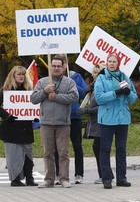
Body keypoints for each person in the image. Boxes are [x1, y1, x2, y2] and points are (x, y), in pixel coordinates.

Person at [30, 57, 79, 188]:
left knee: (63, 152)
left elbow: (74, 97)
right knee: (48, 153)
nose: (56, 68)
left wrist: (57, 97)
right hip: (46, 123)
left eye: (59, 66)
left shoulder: (69, 82)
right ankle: (49, 179)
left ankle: (64, 179)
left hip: (63, 123)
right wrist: (45, 91)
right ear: (50, 67)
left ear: (63, 67)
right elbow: (33, 99)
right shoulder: (42, 82)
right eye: (54, 66)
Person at [95, 53, 138, 189]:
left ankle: (121, 178)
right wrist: (116, 93)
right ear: (106, 63)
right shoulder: (101, 78)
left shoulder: (123, 77)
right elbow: (99, 98)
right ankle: (106, 178)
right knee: (105, 148)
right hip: (107, 119)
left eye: (114, 61)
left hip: (122, 118)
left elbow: (133, 98)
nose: (112, 64)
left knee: (121, 149)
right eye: (110, 61)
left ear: (118, 63)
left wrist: (128, 93)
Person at [0, 66, 38, 187]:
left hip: (26, 128)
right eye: (19, 74)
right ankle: (15, 179)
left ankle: (29, 178)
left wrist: (35, 115)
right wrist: (7, 116)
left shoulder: (29, 91)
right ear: (13, 76)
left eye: (23, 74)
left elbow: (34, 107)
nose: (21, 76)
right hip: (11, 128)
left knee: (28, 154)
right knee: (13, 156)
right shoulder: (5, 91)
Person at [53, 54, 86, 185]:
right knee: (58, 148)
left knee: (77, 146)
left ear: (66, 63)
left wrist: (70, 82)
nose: (62, 66)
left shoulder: (76, 76)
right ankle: (58, 174)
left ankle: (79, 174)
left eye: (64, 62)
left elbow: (83, 93)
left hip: (74, 116)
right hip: (59, 117)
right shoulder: (52, 78)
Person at [76, 63, 107, 184]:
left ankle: (105, 174)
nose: (94, 75)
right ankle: (103, 174)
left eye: (97, 72)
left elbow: (102, 106)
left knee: (99, 148)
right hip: (94, 123)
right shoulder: (93, 87)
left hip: (102, 121)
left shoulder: (104, 87)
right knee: (97, 148)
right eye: (93, 72)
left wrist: (86, 110)